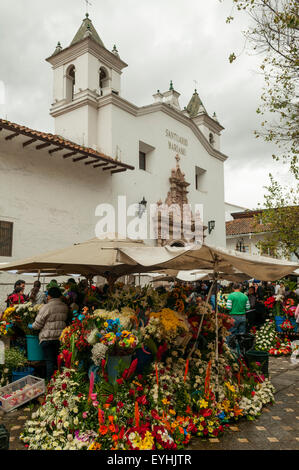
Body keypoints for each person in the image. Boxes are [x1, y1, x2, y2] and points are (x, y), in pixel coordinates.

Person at [29, 286, 68, 381]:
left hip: (47, 338)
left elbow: (37, 325)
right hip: (60, 338)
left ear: (49, 296)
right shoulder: (64, 306)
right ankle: (62, 381)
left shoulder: (46, 307)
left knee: (49, 361)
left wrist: (31, 326)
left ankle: (50, 383)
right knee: (60, 361)